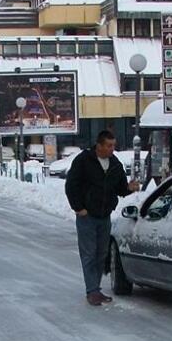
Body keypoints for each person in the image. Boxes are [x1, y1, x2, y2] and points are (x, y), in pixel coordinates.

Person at [65, 130, 139, 306]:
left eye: (113, 145)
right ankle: (92, 291)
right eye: (109, 145)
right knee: (89, 253)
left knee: (101, 254)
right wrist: (78, 208)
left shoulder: (114, 164)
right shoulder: (84, 161)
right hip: (87, 216)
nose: (112, 149)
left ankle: (95, 289)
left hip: (104, 215)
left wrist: (130, 188)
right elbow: (71, 185)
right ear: (99, 146)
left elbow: (120, 188)